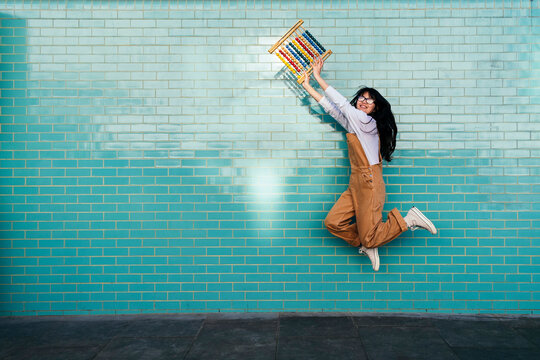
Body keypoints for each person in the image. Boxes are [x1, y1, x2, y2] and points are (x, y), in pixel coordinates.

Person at [301, 57, 437, 271]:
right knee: (333, 222)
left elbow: (342, 105)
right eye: (361, 98)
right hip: (356, 182)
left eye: (369, 100)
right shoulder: (355, 121)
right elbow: (332, 109)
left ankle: (408, 220)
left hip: (369, 182)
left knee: (370, 236)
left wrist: (318, 77)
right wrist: (308, 85)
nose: (363, 101)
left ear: (375, 108)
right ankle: (367, 242)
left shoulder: (367, 122)